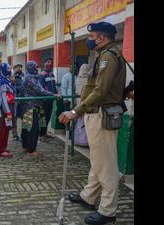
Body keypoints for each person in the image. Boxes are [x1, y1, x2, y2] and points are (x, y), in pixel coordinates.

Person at [59, 22, 126, 225]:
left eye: (92, 36)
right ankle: (89, 196)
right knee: (98, 162)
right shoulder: (104, 55)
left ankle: (108, 210)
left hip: (101, 115)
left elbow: (100, 91)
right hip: (95, 114)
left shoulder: (108, 57)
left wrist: (74, 111)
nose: (89, 40)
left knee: (106, 167)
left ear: (102, 38)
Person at [21, 61, 57, 157]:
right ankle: (31, 149)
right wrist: (53, 94)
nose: (37, 69)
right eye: (35, 67)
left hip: (30, 105)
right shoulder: (30, 78)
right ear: (31, 67)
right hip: (31, 106)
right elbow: (40, 90)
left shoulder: (30, 76)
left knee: (26, 127)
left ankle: (25, 146)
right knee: (33, 128)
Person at [0, 63, 15, 157]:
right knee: (2, 130)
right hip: (3, 109)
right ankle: (0, 149)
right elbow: (3, 99)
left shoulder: (3, 80)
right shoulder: (2, 82)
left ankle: (3, 148)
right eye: (8, 69)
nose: (9, 71)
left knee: (6, 129)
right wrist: (8, 112)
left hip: (6, 108)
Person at [38, 58, 57, 139]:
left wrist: (56, 94)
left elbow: (54, 86)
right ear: (44, 63)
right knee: (43, 117)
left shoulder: (52, 75)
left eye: (51, 62)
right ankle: (41, 134)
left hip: (51, 99)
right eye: (48, 62)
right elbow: (41, 88)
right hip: (44, 100)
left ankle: (44, 132)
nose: (50, 64)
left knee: (48, 117)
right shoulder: (41, 75)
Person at [74, 64, 90, 147]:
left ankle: (78, 140)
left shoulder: (78, 78)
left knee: (79, 122)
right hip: (86, 103)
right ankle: (84, 141)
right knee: (85, 123)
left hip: (78, 102)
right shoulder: (88, 79)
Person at [12, 64, 24, 142]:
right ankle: (15, 135)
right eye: (17, 67)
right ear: (14, 69)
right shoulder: (12, 77)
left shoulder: (24, 76)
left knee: (24, 117)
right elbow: (12, 87)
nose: (19, 68)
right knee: (14, 118)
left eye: (20, 67)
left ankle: (24, 134)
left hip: (23, 100)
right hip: (16, 100)